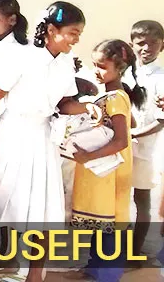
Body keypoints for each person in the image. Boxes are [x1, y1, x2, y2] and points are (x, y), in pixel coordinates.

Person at [0, 2, 97, 282]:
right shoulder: (22, 57)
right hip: (12, 135)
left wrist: (91, 106)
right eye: (72, 33)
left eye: (79, 34)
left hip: (42, 138)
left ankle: (35, 274)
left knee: (44, 206)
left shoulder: (66, 63)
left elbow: (64, 104)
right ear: (52, 30)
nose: (76, 40)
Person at [68, 39, 145, 281]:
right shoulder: (113, 95)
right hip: (105, 170)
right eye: (94, 65)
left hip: (110, 171)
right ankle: (94, 269)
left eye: (102, 66)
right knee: (101, 222)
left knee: (109, 224)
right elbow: (128, 124)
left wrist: (88, 156)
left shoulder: (115, 97)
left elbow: (121, 140)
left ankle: (108, 275)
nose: (96, 71)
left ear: (120, 68)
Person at [126, 20, 164, 260]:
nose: (146, 48)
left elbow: (161, 120)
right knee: (117, 199)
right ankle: (112, 251)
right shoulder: (125, 73)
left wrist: (132, 135)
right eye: (141, 43)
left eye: (153, 43)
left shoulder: (161, 78)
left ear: (162, 46)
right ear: (132, 45)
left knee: (142, 200)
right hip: (120, 148)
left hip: (147, 150)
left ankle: (134, 252)